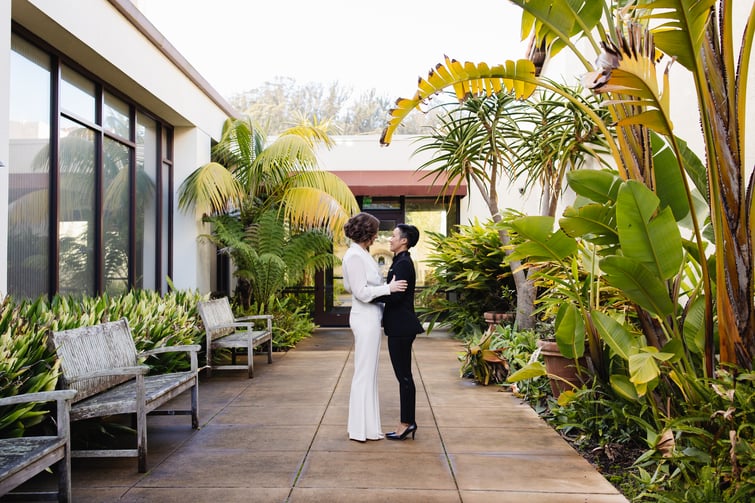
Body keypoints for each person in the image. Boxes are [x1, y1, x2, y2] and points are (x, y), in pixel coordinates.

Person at [342, 212, 407, 442]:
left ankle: (367, 428)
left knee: (369, 374)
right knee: (363, 373)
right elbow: (360, 292)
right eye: (375, 231)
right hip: (364, 318)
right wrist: (388, 289)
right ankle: (359, 429)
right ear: (367, 233)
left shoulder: (360, 254)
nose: (378, 236)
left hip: (370, 317)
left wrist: (384, 289)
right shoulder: (354, 256)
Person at [374, 224, 424, 441]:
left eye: (393, 236)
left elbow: (396, 296)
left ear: (404, 241)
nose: (389, 239)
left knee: (404, 377)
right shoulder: (400, 261)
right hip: (400, 327)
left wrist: (371, 295)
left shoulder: (403, 264)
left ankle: (407, 423)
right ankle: (407, 421)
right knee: (404, 376)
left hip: (402, 327)